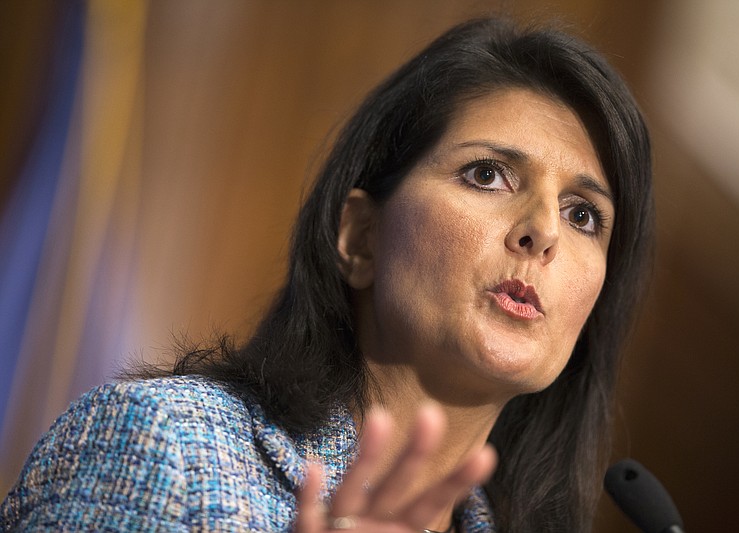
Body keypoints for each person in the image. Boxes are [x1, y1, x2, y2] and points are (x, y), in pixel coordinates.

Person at [0, 16, 652, 532]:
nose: (543, 231)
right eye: (487, 173)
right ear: (360, 236)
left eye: (584, 214)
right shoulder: (165, 447)